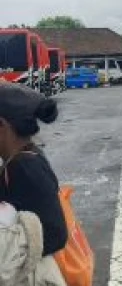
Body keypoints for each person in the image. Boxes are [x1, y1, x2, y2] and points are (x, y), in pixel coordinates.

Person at [0, 84, 66, 257]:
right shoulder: (21, 158)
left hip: (28, 280)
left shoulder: (25, 167)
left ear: (2, 125)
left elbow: (56, 235)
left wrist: (11, 249)